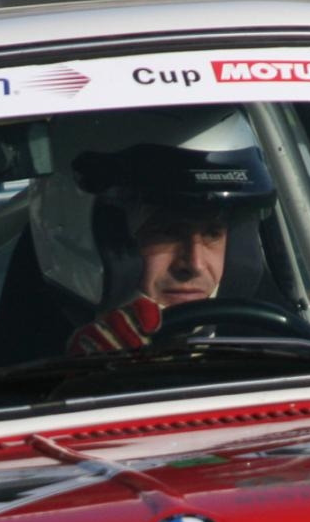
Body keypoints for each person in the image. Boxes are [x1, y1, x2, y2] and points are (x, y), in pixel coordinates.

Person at [61, 112, 277, 355]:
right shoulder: (34, 367)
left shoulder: (278, 350)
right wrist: (89, 373)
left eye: (212, 233)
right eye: (168, 232)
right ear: (99, 239)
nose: (195, 264)